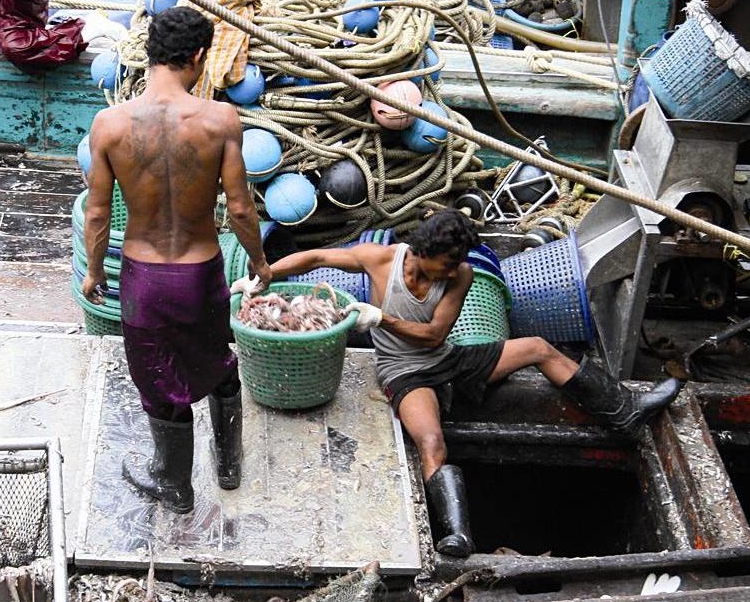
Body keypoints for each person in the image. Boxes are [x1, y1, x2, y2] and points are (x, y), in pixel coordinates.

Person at [268, 210, 681, 557]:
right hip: (403, 371)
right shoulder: (380, 260)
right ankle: (456, 534)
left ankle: (626, 413)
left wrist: (382, 319)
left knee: (538, 346)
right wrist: (265, 275)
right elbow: (315, 257)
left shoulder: (461, 275)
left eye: (457, 261)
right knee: (431, 443)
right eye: (445, 262)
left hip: (448, 358)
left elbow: (434, 335)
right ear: (421, 253)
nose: (453, 269)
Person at [81, 7, 271, 514]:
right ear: (200, 56)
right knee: (216, 360)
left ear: (148, 56)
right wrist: (259, 261)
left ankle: (173, 482)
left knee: (158, 380)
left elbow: (98, 212)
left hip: (145, 277)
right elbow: (239, 206)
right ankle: (229, 463)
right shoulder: (220, 119)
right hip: (201, 270)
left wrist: (95, 272)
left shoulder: (109, 125)